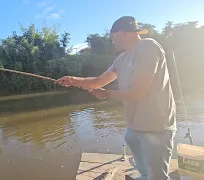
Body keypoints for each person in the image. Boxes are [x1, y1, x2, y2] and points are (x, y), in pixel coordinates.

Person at [56, 16, 176, 180]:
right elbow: (98, 81)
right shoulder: (121, 59)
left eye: (112, 36)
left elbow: (138, 92)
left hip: (156, 127)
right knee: (145, 172)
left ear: (122, 33)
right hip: (135, 127)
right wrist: (73, 80)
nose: (112, 41)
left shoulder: (148, 46)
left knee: (157, 177)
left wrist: (107, 94)